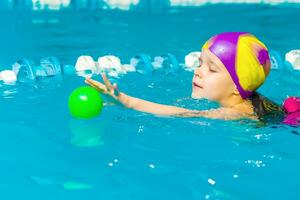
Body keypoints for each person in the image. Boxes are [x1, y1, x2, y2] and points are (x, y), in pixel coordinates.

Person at [85, 32, 288, 124]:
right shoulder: (243, 98)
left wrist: (127, 101)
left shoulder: (237, 113)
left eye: (212, 69)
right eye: (200, 63)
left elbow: (184, 114)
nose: (198, 71)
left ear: (237, 87)